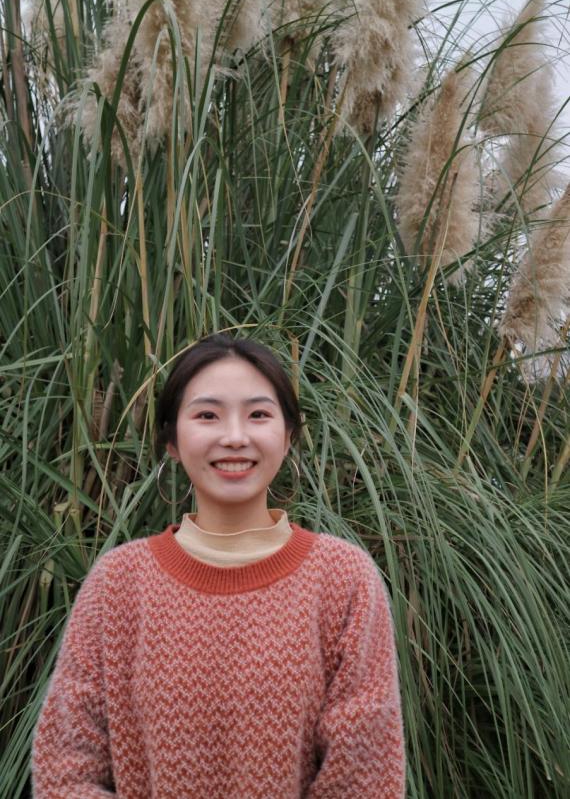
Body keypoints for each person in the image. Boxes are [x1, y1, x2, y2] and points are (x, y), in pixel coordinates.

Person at [31, 333, 406, 797]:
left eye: (258, 415)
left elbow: (365, 779)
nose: (234, 437)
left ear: (288, 436)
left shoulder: (343, 579)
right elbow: (65, 772)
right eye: (207, 415)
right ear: (171, 440)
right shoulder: (119, 584)